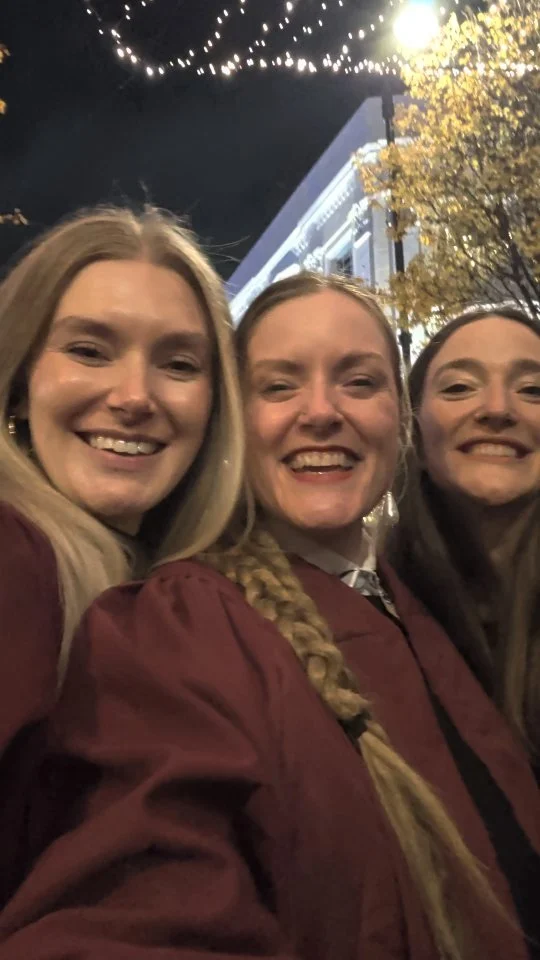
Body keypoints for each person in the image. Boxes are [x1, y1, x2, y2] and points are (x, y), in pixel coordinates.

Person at [0, 277, 533, 960]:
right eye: (279, 386)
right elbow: (144, 891)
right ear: (232, 423)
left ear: (400, 419)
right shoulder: (180, 627)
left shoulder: (428, 602)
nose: (321, 412)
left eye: (360, 382)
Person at [0, 204, 244, 904]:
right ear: (19, 383)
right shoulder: (16, 558)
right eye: (88, 350)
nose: (135, 397)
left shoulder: (180, 594)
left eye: (179, 364)